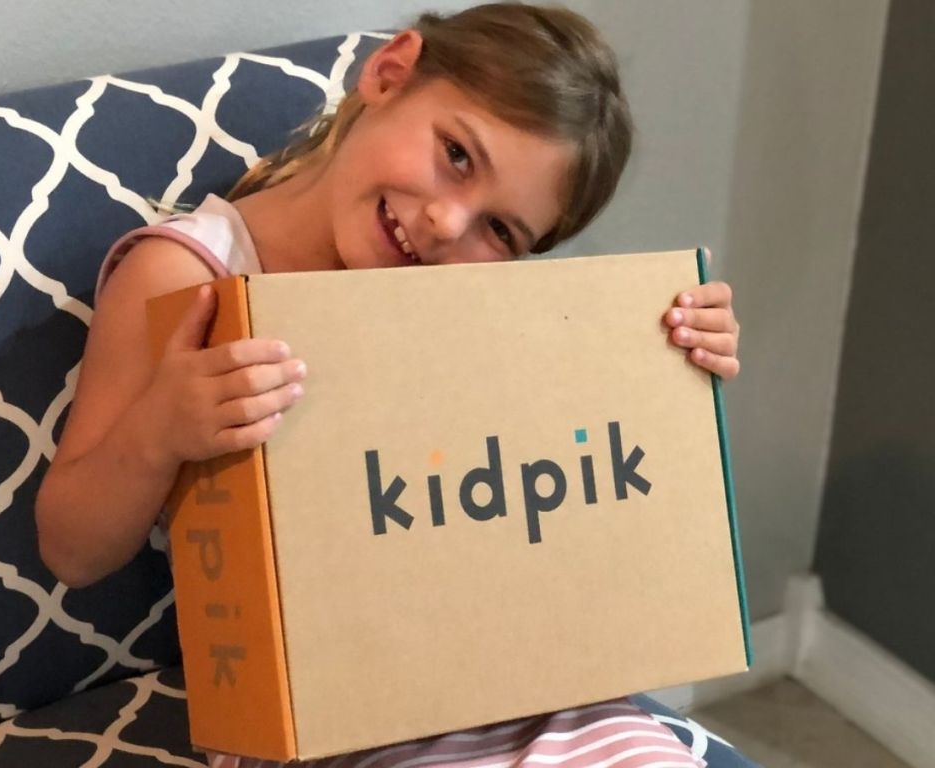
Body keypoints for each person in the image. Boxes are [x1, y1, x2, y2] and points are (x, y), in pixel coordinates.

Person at [36, 4, 740, 766]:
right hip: (322, 708)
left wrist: (672, 349)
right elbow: (71, 549)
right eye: (458, 155)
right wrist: (162, 428)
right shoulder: (187, 280)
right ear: (389, 72)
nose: (445, 223)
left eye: (500, 232)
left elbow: (572, 488)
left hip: (521, 679)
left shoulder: (470, 303)